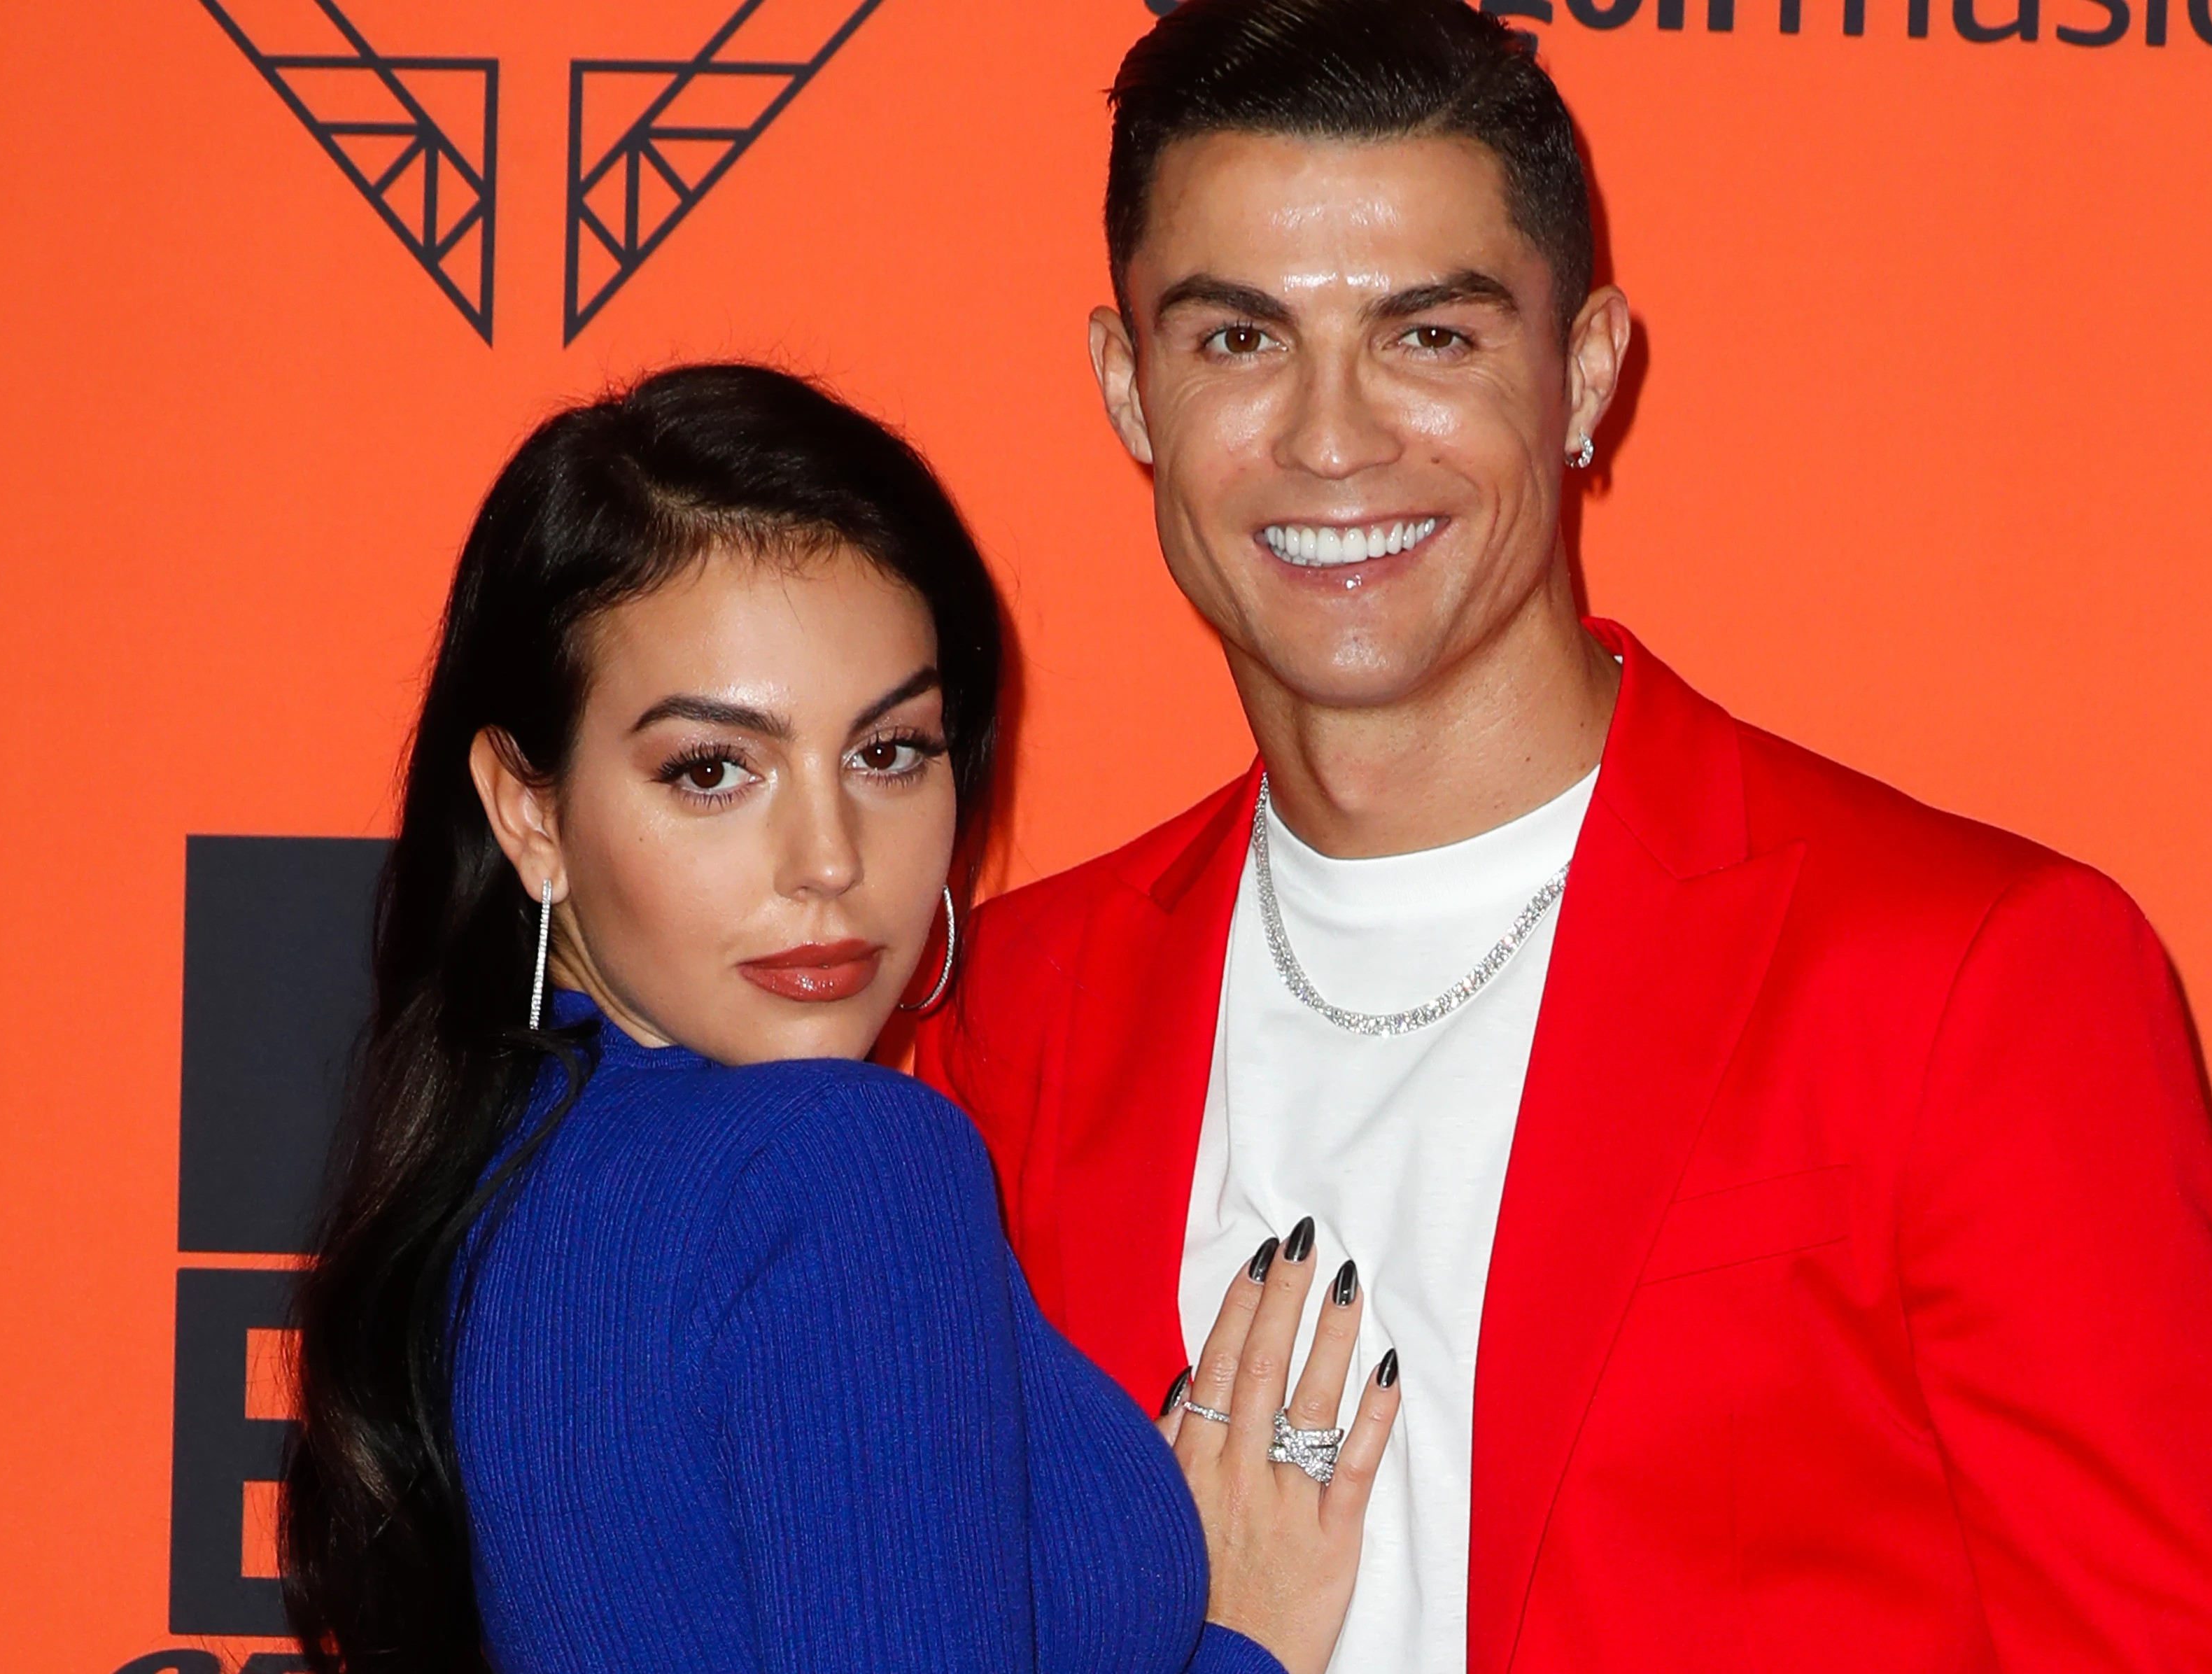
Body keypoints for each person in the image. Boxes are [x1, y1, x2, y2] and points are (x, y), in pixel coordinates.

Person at [915, 3, 2212, 1671]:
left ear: (1582, 368)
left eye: (1428, 337)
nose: (1330, 435)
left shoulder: (1963, 975)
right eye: (1238, 340)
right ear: (1125, 386)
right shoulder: (995, 1015)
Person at [276, 364, 1400, 1674]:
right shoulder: (844, 1165)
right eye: (713, 769)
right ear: (529, 811)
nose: (828, 857)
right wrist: (1241, 1643)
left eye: (888, 753)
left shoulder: (499, 1194)